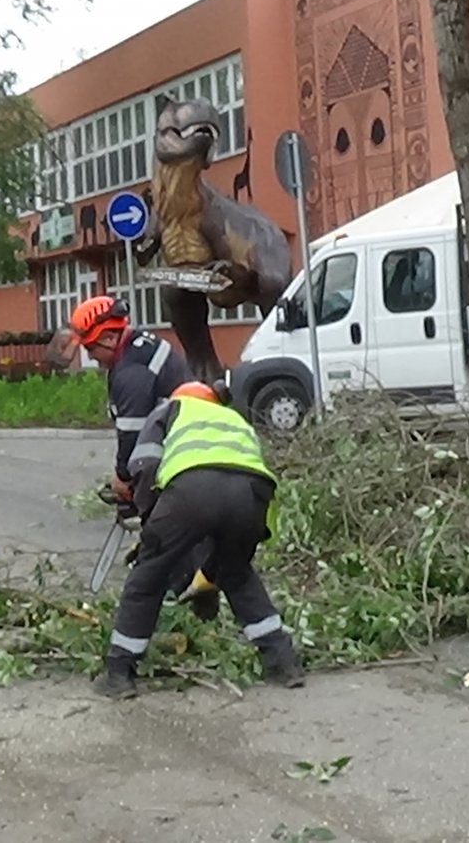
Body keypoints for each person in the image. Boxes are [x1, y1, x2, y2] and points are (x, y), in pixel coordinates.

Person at [94, 380, 305, 699]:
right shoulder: (234, 419)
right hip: (252, 496)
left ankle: (119, 672)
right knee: (237, 573)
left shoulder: (169, 409)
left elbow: (144, 464)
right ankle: (283, 663)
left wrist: (146, 514)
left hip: (192, 490)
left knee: (148, 577)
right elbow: (229, 480)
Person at [68, 295, 218, 614]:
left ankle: (179, 590)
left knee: (166, 523)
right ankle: (191, 580)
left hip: (183, 446)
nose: (90, 356)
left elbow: (133, 436)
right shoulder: (140, 343)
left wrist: (123, 478)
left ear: (108, 337)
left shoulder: (131, 372)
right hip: (189, 437)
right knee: (177, 520)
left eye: (91, 348)